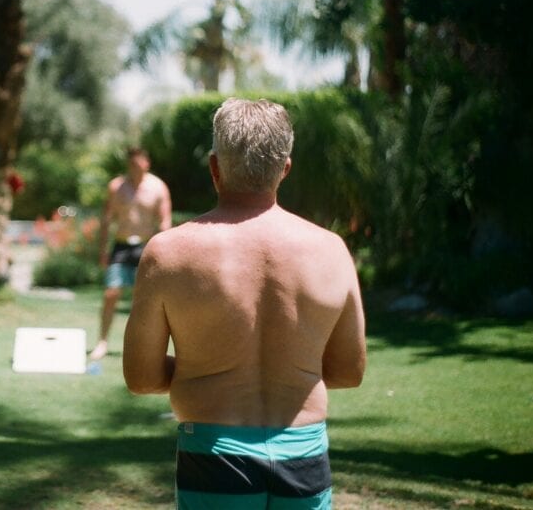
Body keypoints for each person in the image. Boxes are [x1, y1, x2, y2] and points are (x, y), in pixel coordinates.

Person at [122, 97, 366, 510]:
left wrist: (207, 367)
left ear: (214, 168)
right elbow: (349, 370)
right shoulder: (331, 250)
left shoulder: (169, 253)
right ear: (285, 169)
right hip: (303, 454)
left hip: (214, 454)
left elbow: (141, 377)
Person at [88, 147, 172, 361]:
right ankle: (102, 342)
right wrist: (103, 250)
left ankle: (142, 348)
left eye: (138, 163)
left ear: (146, 163)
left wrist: (164, 252)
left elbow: (164, 221)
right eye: (131, 164)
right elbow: (107, 220)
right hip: (121, 245)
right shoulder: (116, 187)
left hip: (145, 247)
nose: (134, 167)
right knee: (111, 293)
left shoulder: (158, 187)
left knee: (144, 300)